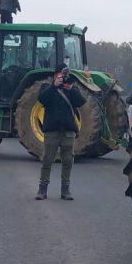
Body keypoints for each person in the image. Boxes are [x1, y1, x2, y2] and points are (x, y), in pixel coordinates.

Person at [35, 66, 85, 200]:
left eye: (65, 74)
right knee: (47, 160)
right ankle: (42, 189)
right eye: (60, 74)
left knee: (68, 161)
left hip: (68, 131)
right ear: (56, 74)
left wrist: (71, 90)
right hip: (52, 130)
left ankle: (65, 190)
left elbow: (81, 102)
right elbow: (41, 99)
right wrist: (54, 86)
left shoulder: (71, 86)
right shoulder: (47, 86)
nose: (63, 77)